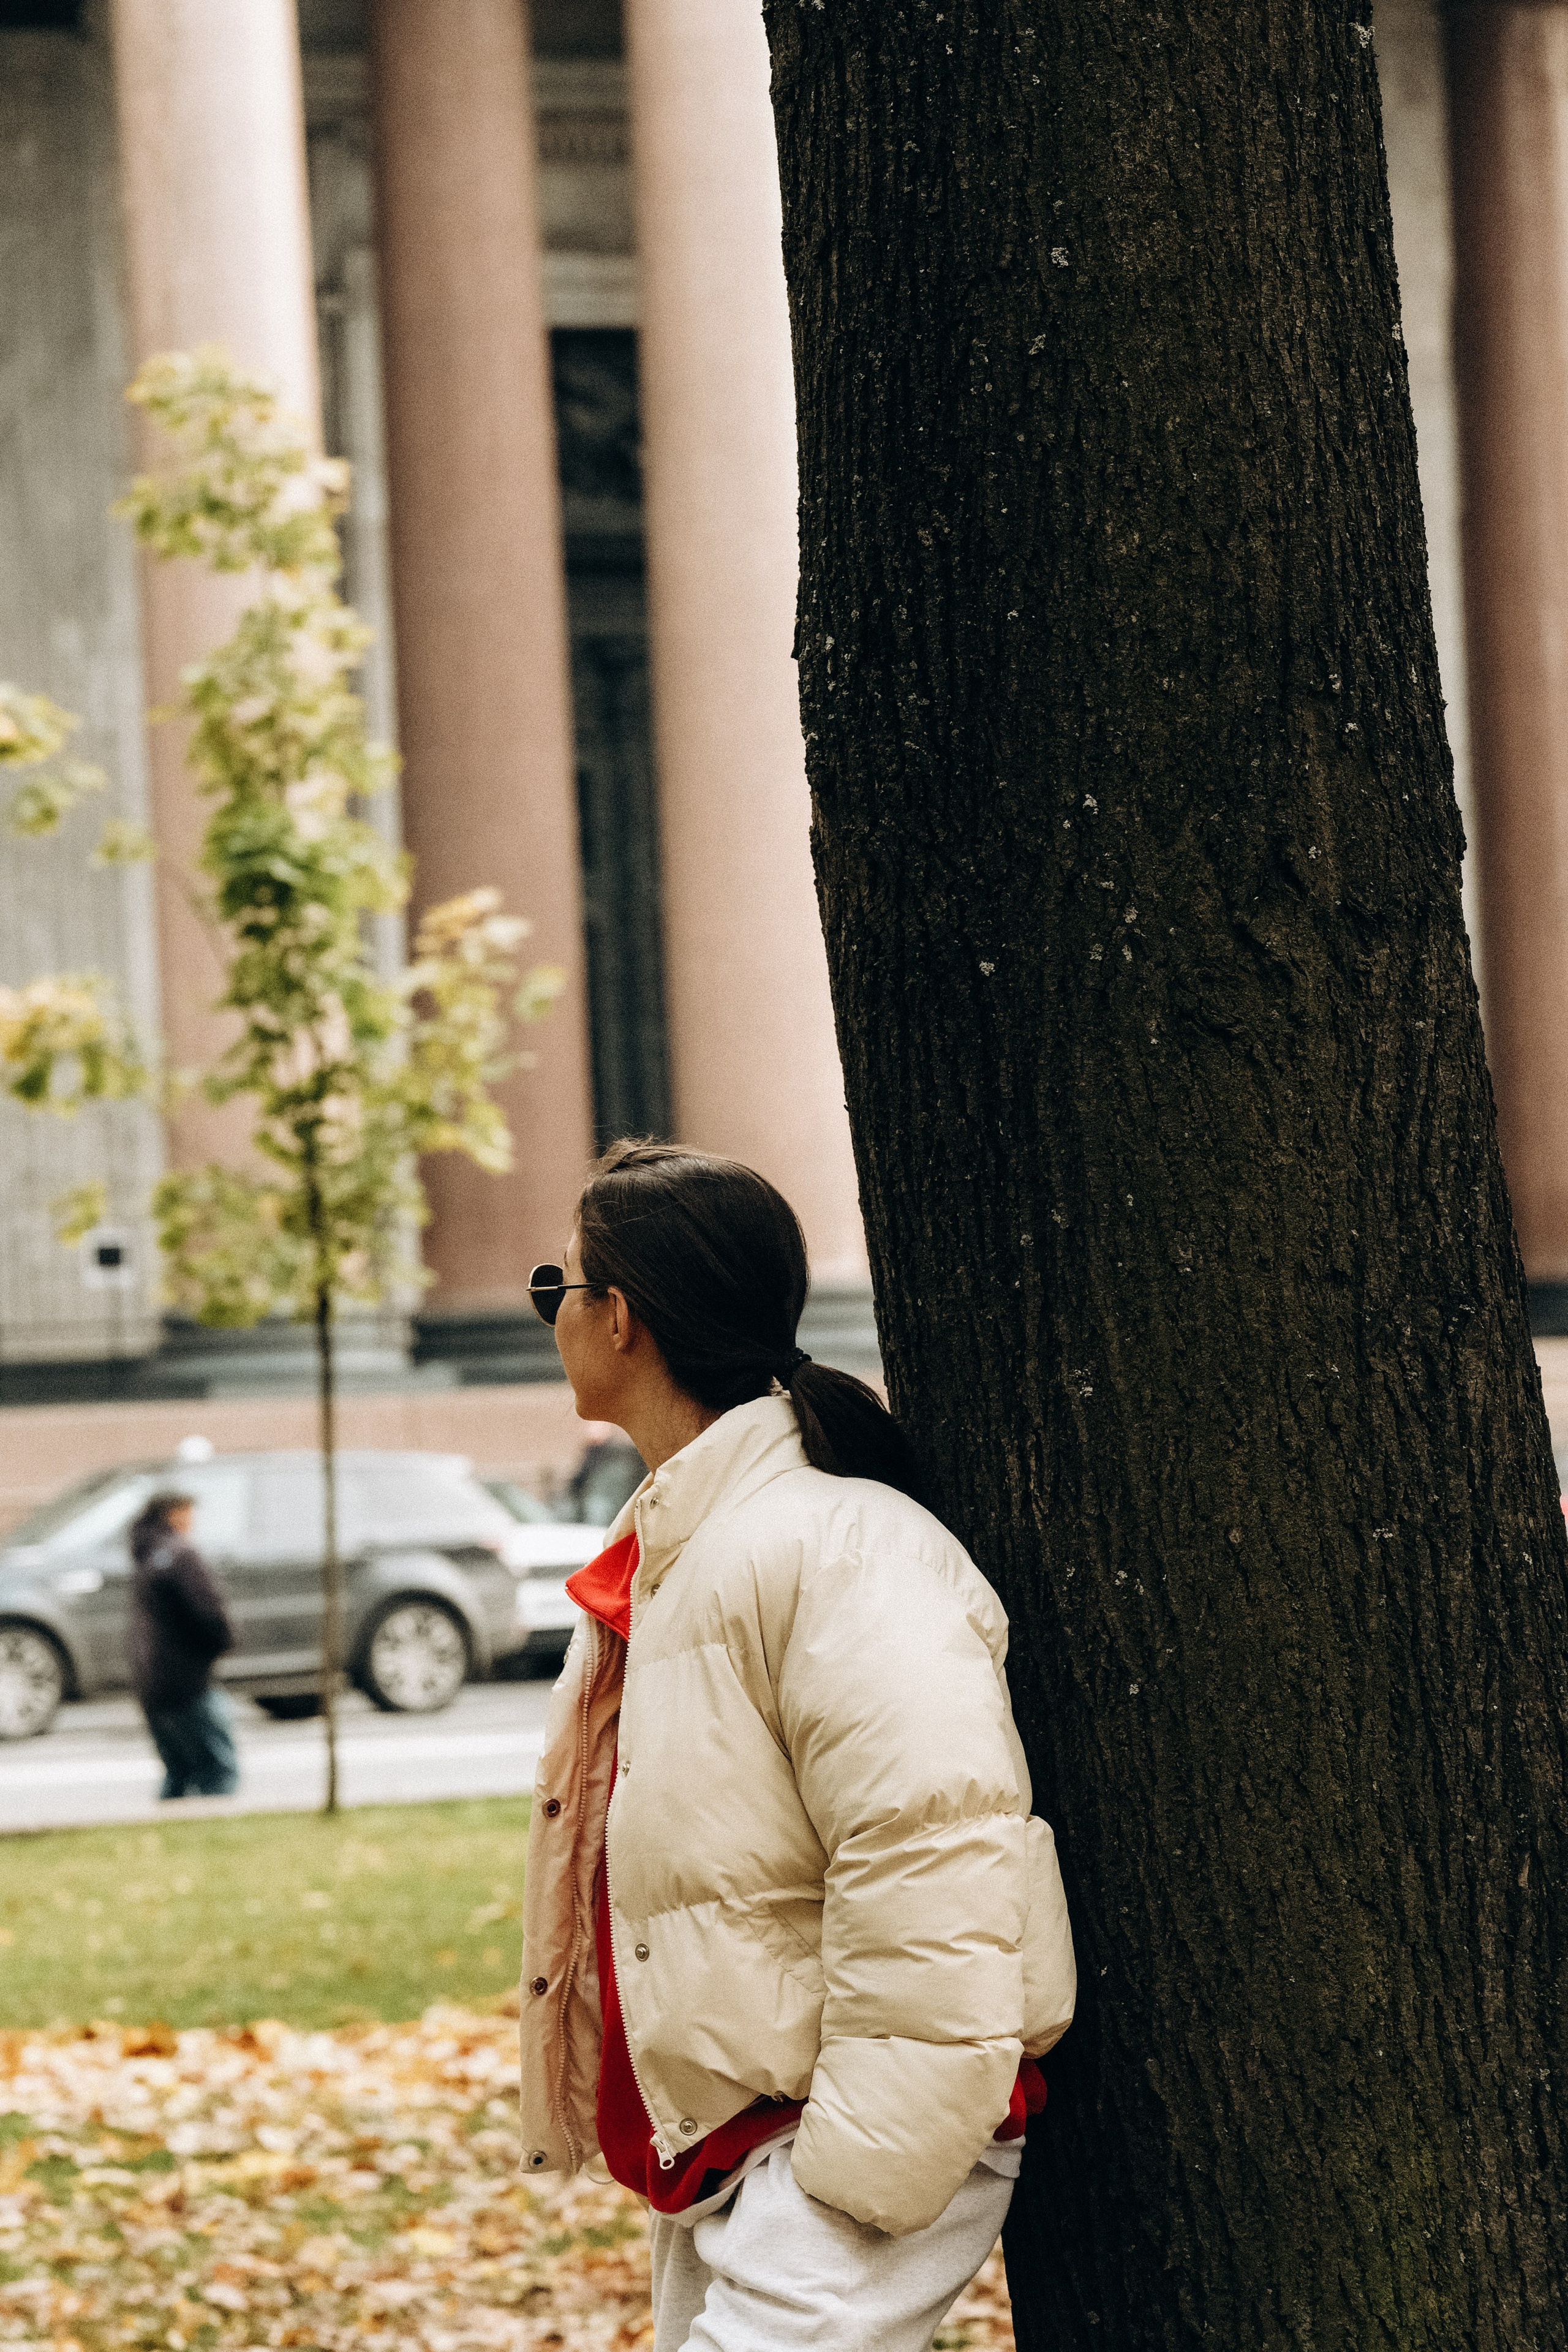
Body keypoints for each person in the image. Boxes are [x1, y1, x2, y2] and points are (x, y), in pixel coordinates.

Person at [519, 1140, 1076, 2352]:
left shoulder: (837, 1547)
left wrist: (848, 2187)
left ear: (621, 1321)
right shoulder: (674, 1555)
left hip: (838, 2150)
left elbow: (936, 1856)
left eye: (552, 1284)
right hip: (732, 2149)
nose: (547, 1312)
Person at [127, 1491, 239, 1801]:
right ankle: (218, 1833)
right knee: (219, 1769)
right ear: (175, 1514)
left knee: (179, 1771)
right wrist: (224, 1642)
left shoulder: (146, 1552)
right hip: (187, 1678)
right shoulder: (180, 1554)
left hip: (151, 1678)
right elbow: (207, 1610)